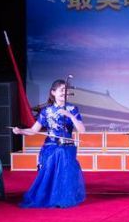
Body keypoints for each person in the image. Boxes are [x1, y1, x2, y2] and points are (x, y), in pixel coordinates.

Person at [13, 79, 86, 208]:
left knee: (61, 152)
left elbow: (82, 130)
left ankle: (62, 197)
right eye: (61, 90)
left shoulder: (72, 109)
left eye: (66, 90)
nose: (64, 92)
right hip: (50, 146)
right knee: (57, 153)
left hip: (67, 146)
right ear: (53, 92)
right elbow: (33, 130)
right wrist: (20, 131)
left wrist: (70, 116)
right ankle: (50, 196)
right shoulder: (46, 111)